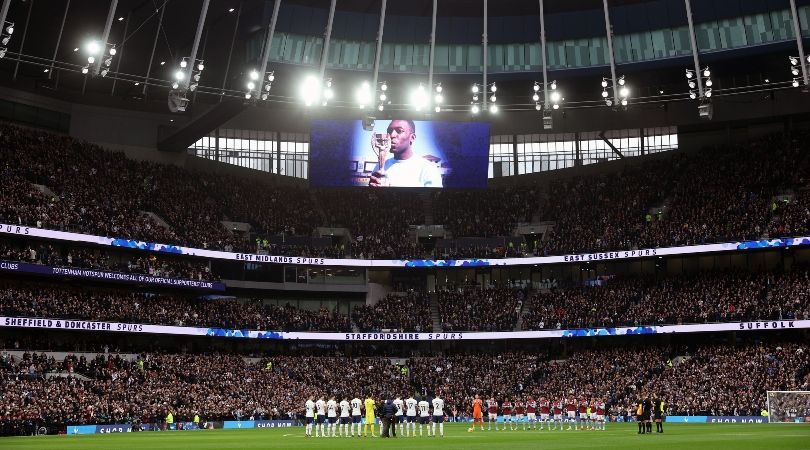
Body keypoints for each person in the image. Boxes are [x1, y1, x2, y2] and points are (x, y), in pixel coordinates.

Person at [368, 119, 443, 188]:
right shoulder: (379, 166)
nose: (391, 135)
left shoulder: (428, 168)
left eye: (399, 131)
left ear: (412, 138)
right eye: (389, 131)